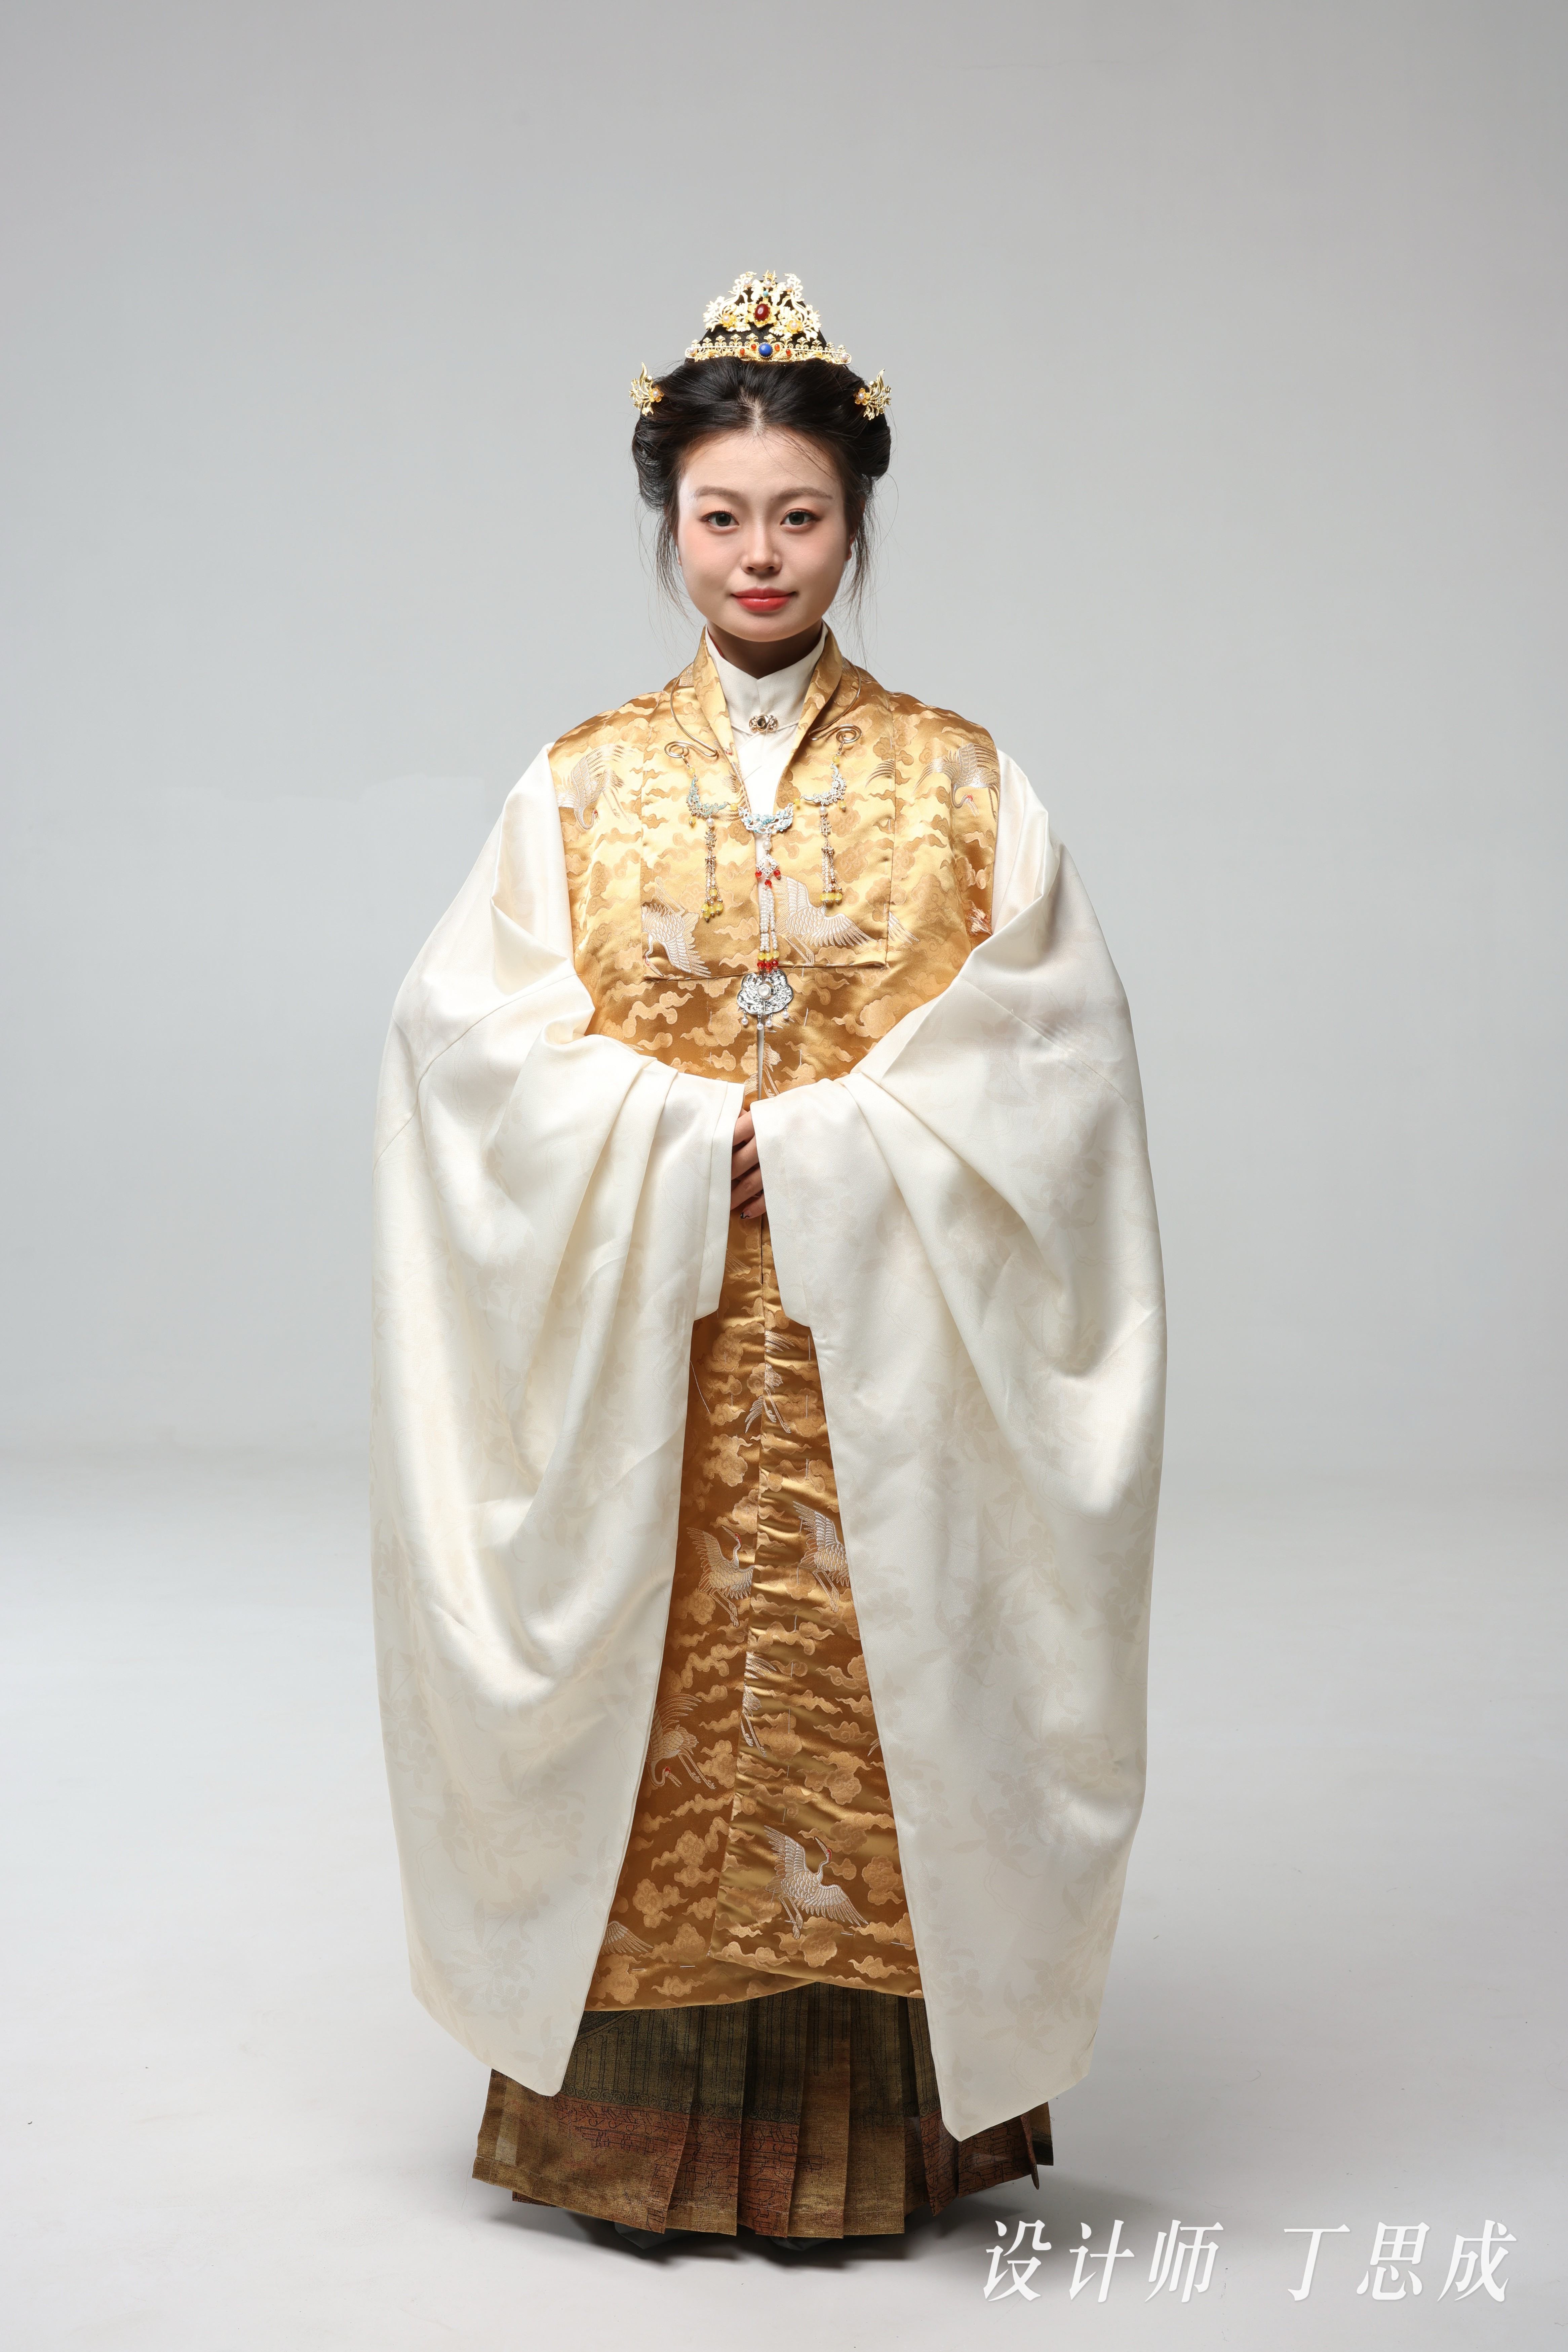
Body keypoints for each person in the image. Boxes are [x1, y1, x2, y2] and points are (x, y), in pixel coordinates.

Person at [371, 270, 1166, 2251]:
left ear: (854, 521)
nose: (758, 554)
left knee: (889, 1717)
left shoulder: (961, 784)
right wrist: (677, 1139)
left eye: (797, 514)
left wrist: (823, 1150)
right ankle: (634, 2143)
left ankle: (882, 2141)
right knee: (651, 1739)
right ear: (668, 519)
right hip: (653, 1365)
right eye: (720, 514)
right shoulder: (580, 784)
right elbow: (464, 1048)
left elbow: (1053, 1059)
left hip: (885, 1362)